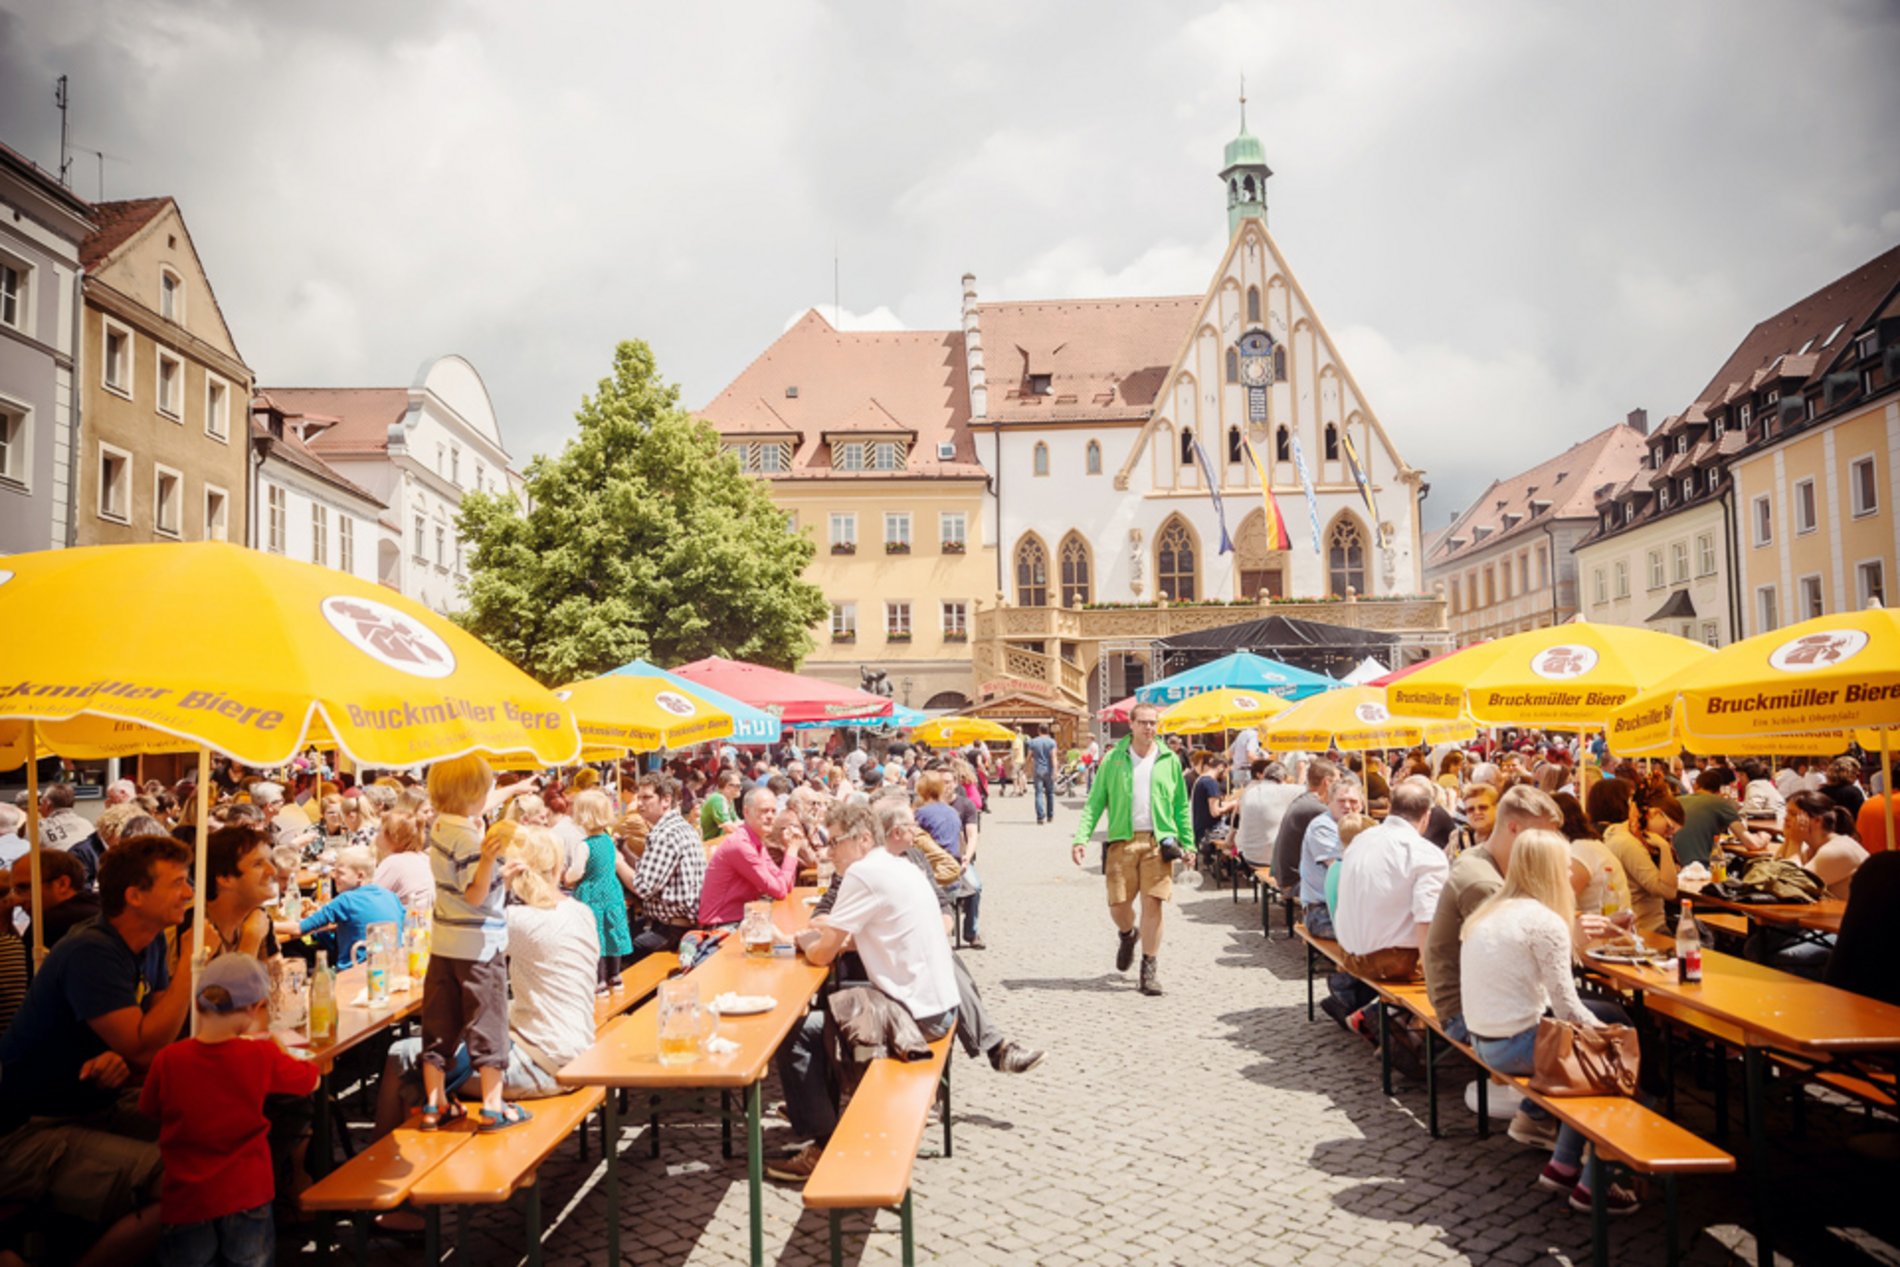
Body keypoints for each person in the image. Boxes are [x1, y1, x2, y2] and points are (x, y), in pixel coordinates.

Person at [0, 835, 201, 1265]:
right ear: (134, 896)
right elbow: (148, 1048)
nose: (189, 893)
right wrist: (192, 965)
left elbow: (155, 1032)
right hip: (27, 1130)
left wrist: (128, 1052)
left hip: (93, 1103)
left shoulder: (151, 940)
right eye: (179, 883)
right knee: (180, 1182)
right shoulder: (91, 950)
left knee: (209, 1131)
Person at [770, 801, 961, 1184]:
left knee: (797, 1032)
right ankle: (824, 1108)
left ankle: (823, 1144)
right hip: (938, 1007)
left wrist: (805, 941)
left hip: (915, 1020)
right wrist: (831, 939)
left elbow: (824, 952)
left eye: (835, 841)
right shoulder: (899, 865)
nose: (828, 851)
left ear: (863, 839)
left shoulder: (864, 873)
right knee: (831, 1021)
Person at [1459, 828, 1638, 1214]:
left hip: (1483, 1038)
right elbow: (1569, 1007)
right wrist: (1614, 1043)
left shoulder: (1489, 912)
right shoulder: (1543, 920)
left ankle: (1562, 1164)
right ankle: (1597, 1186)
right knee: (1618, 1068)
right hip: (1516, 1044)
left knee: (1598, 1034)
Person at [139, 955, 318, 1267]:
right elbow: (310, 1081)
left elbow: (149, 1108)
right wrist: (275, 1046)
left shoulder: (168, 1059)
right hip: (247, 1190)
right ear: (254, 1008)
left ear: (198, 1005)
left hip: (187, 1195)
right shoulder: (259, 1053)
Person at [419, 755, 528, 1132]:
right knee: (488, 1022)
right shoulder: (468, 838)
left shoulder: (440, 826)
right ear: (473, 794)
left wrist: (513, 790)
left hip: (444, 942)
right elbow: (476, 895)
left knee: (438, 1024)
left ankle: (435, 1104)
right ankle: (494, 1106)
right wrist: (490, 862)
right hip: (479, 947)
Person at [1069, 702, 1190, 997]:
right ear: (1131, 725)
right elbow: (1096, 801)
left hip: (1159, 842)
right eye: (1144, 722)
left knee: (1154, 903)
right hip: (1122, 841)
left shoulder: (1169, 759)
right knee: (1119, 905)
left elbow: (1180, 805)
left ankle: (1149, 969)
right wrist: (1081, 837)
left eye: (1153, 723)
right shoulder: (1113, 759)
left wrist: (1188, 842)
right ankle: (1127, 934)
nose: (1149, 728)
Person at [1332, 782, 1448, 987]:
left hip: (1349, 953)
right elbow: (1427, 920)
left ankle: (1374, 1012)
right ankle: (1412, 1019)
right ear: (1426, 816)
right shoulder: (1425, 853)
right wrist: (1436, 982)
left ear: (1389, 808)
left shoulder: (1360, 840)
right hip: (1392, 962)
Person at [624, 773, 706, 960]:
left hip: (671, 930)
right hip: (681, 924)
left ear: (666, 800)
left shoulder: (664, 834)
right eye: (639, 798)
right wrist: (626, 852)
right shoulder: (681, 827)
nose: (640, 804)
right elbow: (652, 872)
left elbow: (642, 887)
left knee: (613, 950)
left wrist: (616, 861)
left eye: (647, 797)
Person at [278, 845, 403, 967]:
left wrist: (266, 923)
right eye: (334, 871)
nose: (334, 876)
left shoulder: (346, 900)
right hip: (390, 967)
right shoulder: (391, 896)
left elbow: (298, 928)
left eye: (340, 873)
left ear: (360, 876)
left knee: (289, 950)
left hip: (353, 972)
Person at [699, 786, 806, 926]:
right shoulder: (740, 845)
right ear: (746, 812)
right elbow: (779, 891)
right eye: (764, 811)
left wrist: (788, 850)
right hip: (722, 925)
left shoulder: (755, 841)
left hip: (742, 919)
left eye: (773, 811)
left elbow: (785, 886)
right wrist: (792, 850)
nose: (770, 816)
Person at [1593, 776, 1681, 935]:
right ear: (1654, 813)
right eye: (1668, 827)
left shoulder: (1620, 831)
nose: (1669, 835)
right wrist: (1664, 848)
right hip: (1646, 928)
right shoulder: (1629, 844)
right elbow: (1668, 891)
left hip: (1633, 924)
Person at [568, 790, 633, 993]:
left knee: (595, 936)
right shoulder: (608, 840)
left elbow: (576, 872)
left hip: (592, 893)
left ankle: (599, 980)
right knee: (612, 930)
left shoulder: (584, 846)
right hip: (611, 891)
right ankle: (615, 975)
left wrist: (566, 876)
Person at [1297, 779, 1365, 939]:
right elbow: (1342, 871)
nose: (1348, 806)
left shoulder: (1361, 825)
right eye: (1341, 801)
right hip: (1322, 911)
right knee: (1372, 938)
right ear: (1329, 801)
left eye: (1353, 801)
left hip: (1350, 907)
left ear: (1361, 803)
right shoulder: (1322, 827)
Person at [1672, 767, 1767, 866]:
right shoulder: (1720, 803)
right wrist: (1764, 836)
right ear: (1719, 790)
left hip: (1674, 865)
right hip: (1701, 866)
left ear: (1696, 785)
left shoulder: (1677, 801)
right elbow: (1751, 844)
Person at [1271, 759, 1338, 901]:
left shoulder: (1305, 800)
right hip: (1294, 883)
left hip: (1285, 876)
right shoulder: (1317, 809)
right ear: (1327, 782)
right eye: (1337, 781)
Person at [1785, 789, 1868, 901]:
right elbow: (1775, 874)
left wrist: (1794, 842)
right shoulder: (1808, 849)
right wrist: (1788, 839)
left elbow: (1791, 886)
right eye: (1787, 813)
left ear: (1817, 820)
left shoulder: (1838, 850)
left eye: (1793, 814)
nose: (1786, 818)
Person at [12, 850, 98, 949]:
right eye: (15, 891)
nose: (16, 901)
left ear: (62, 884)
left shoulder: (48, 925)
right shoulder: (100, 908)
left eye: (24, 888)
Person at [1234, 761, 1299, 870]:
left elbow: (1235, 815)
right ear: (1283, 778)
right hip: (1269, 859)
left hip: (1247, 854)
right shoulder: (1284, 790)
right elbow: (1313, 790)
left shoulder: (1250, 791)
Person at [372, 810, 434, 913]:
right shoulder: (423, 858)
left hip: (405, 924)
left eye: (380, 830)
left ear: (392, 836)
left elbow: (369, 899)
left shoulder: (393, 863)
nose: (376, 835)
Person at [1447, 783, 1497, 862]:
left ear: (1496, 808)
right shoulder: (1459, 838)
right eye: (1470, 809)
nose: (1477, 812)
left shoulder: (1505, 838)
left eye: (1483, 807)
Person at [1027, 725, 1060, 825]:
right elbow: (1053, 757)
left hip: (1038, 770)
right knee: (1049, 794)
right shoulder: (1052, 742)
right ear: (1048, 731)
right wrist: (1055, 771)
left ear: (1038, 731)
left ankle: (1040, 817)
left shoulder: (1033, 742)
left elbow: (1029, 756)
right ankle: (1050, 816)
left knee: (1039, 793)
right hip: (1049, 770)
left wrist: (1025, 767)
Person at [699, 770, 741, 842]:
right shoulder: (718, 799)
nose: (740, 789)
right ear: (727, 787)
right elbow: (729, 827)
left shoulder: (729, 799)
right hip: (708, 844)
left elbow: (737, 821)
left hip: (717, 841)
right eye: (737, 786)